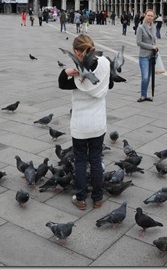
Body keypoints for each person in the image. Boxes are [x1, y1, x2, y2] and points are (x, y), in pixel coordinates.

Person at [58, 34, 113, 211]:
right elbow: (110, 85)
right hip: (98, 123)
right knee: (96, 160)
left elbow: (61, 84)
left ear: (76, 52)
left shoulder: (77, 76)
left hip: (81, 125)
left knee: (81, 161)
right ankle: (97, 198)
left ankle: (81, 198)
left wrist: (66, 72)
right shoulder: (105, 64)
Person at [136, 9, 158, 102]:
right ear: (145, 15)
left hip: (152, 56)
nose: (150, 17)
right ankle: (142, 95)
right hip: (144, 55)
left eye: (151, 16)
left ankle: (145, 95)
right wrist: (151, 46)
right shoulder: (140, 27)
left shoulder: (154, 27)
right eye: (148, 15)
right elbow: (138, 42)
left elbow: (154, 40)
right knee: (145, 76)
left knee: (148, 76)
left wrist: (156, 48)